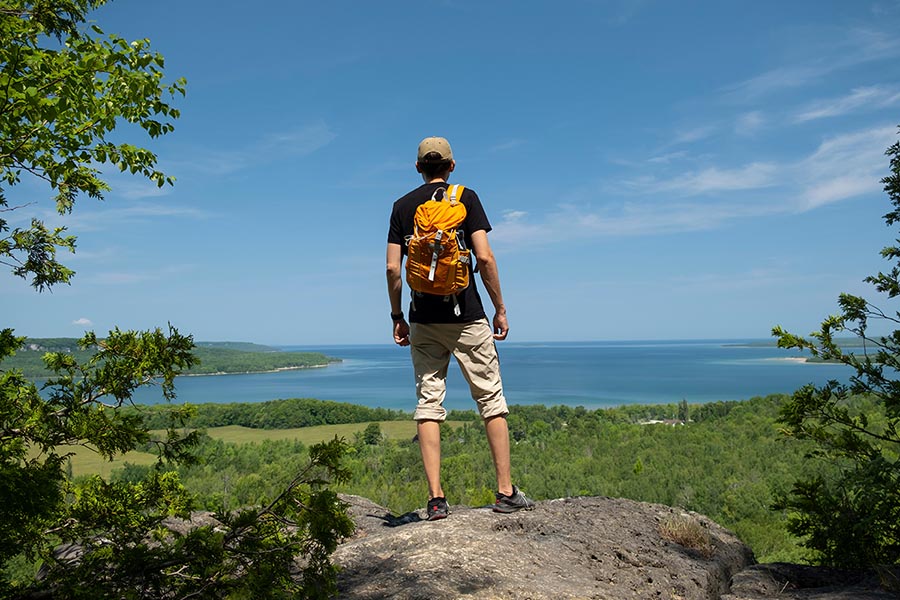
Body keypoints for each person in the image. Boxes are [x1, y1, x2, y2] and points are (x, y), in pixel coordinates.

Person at [386, 136, 534, 521]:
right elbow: (484, 258)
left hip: (422, 318)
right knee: (490, 400)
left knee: (429, 403)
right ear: (451, 166)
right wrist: (500, 309)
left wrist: (397, 316)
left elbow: (392, 269)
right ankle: (505, 492)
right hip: (467, 316)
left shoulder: (402, 206)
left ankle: (436, 500)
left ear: (418, 168)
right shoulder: (466, 198)